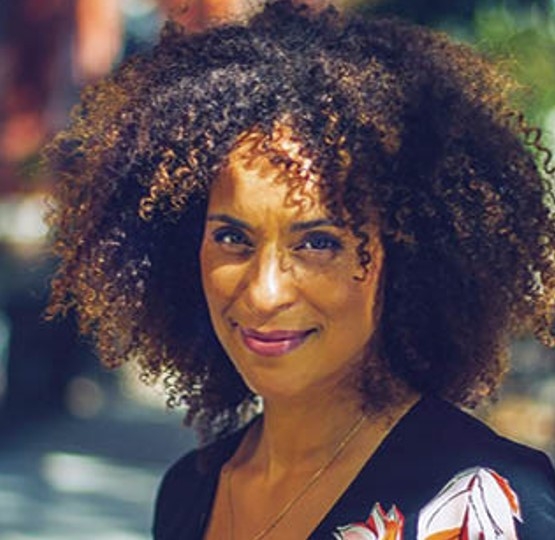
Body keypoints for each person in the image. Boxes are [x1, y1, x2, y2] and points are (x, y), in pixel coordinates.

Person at [44, 1, 555, 538]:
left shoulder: (491, 504)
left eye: (317, 243)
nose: (264, 294)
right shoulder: (188, 495)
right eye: (232, 238)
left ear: (408, 255)